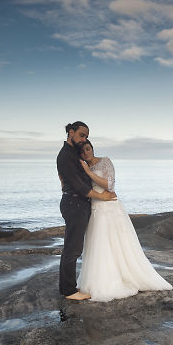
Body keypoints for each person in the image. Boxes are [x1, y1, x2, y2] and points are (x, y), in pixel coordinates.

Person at [76, 140, 173, 301]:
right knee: (99, 244)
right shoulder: (82, 167)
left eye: (88, 149)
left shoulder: (105, 161)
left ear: (92, 148)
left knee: (118, 242)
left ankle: (123, 276)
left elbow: (110, 185)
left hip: (110, 206)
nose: (86, 153)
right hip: (95, 208)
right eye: (82, 151)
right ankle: (100, 279)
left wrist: (89, 172)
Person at [56, 121, 117, 301]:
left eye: (86, 137)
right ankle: (69, 291)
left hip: (80, 203)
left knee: (73, 247)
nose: (84, 139)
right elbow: (79, 186)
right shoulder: (65, 156)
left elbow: (76, 177)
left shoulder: (74, 153)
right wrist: (101, 196)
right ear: (71, 132)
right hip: (74, 203)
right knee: (73, 248)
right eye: (82, 135)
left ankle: (67, 288)